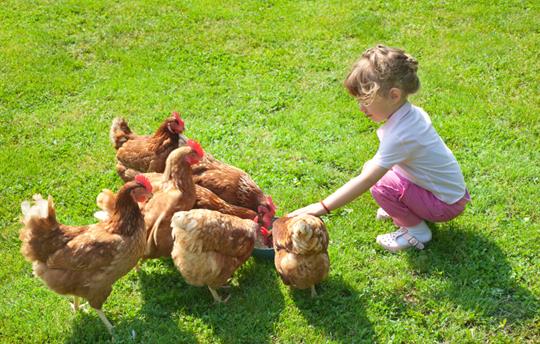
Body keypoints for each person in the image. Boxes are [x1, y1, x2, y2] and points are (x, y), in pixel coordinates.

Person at [288, 44, 469, 252]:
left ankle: (417, 231)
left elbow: (367, 180)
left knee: (380, 184)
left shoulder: (400, 135)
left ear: (394, 95)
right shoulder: (411, 115)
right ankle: (405, 209)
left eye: (366, 100)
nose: (361, 108)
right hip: (449, 194)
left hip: (443, 206)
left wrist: (321, 207)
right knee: (373, 167)